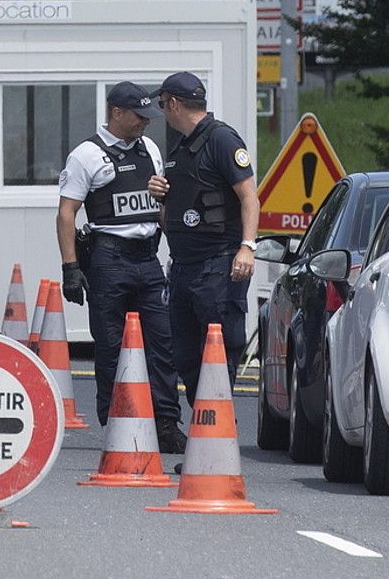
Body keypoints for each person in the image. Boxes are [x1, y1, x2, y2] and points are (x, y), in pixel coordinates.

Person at [56, 81, 187, 453]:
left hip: (147, 257)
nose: (146, 122)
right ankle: (116, 422)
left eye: (148, 116)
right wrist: (70, 268)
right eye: (138, 116)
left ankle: (165, 424)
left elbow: (159, 207)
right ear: (116, 113)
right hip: (108, 258)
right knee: (111, 345)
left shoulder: (150, 149)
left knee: (163, 345)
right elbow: (67, 213)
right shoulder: (86, 155)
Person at [147, 72, 260, 404]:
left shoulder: (221, 140)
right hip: (183, 267)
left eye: (163, 105)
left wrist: (247, 247)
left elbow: (250, 197)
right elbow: (180, 206)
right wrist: (161, 194)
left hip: (218, 265)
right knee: (185, 356)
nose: (162, 112)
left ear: (175, 104)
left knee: (218, 354)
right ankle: (205, 433)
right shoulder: (182, 146)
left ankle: (217, 436)